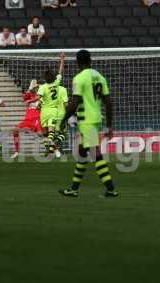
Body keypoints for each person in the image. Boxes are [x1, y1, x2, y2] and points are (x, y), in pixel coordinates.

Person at [59, 50, 118, 198]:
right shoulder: (99, 77)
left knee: (95, 153)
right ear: (90, 61)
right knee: (82, 152)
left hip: (87, 120)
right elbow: (108, 102)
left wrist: (64, 119)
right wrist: (109, 126)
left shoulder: (79, 78)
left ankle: (111, 189)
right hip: (96, 118)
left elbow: (75, 102)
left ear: (77, 62)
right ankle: (74, 189)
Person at [37, 52, 65, 157]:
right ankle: (53, 147)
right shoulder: (56, 83)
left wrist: (36, 103)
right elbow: (60, 71)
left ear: (45, 78)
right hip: (54, 111)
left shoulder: (42, 87)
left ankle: (51, 148)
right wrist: (62, 59)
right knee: (50, 132)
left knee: (46, 133)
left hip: (44, 112)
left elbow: (39, 99)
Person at [11, 80, 43, 159]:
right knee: (15, 130)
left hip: (37, 119)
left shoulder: (42, 97)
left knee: (41, 134)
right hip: (27, 120)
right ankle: (17, 152)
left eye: (36, 88)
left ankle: (55, 149)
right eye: (34, 88)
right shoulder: (29, 95)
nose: (35, 89)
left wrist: (38, 85)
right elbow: (24, 97)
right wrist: (30, 87)